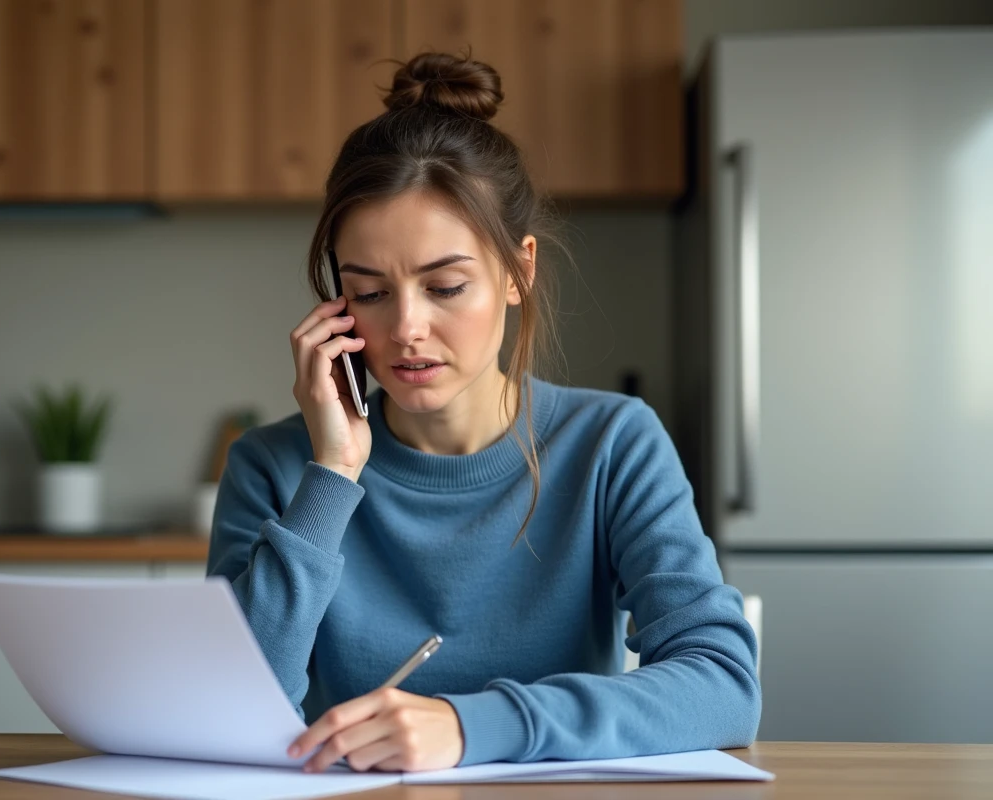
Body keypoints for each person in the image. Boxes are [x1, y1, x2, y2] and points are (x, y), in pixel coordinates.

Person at [207, 50, 760, 774]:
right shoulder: (276, 467)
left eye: (444, 286)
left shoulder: (613, 444)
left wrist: (471, 727)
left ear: (516, 271)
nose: (405, 327)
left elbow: (722, 686)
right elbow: (234, 713)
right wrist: (332, 475)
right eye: (369, 292)